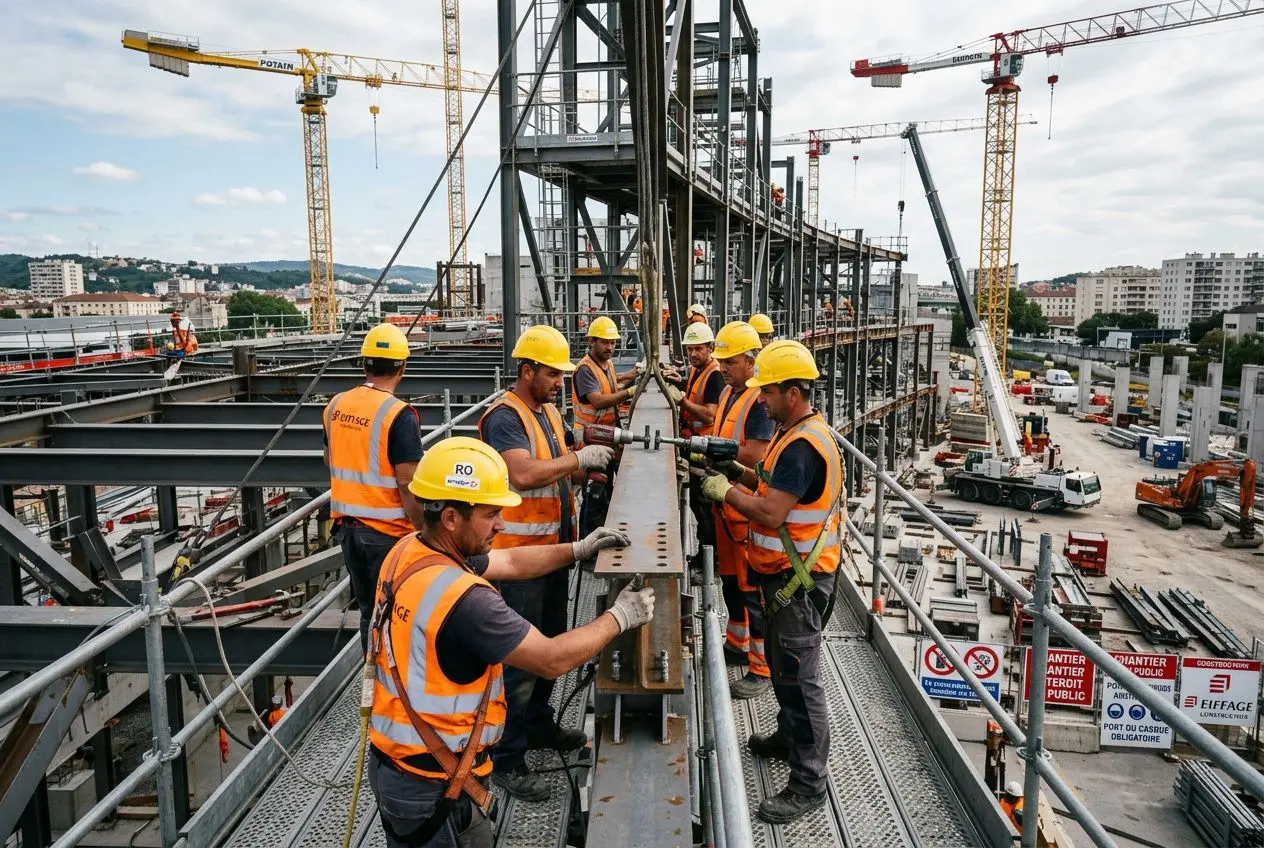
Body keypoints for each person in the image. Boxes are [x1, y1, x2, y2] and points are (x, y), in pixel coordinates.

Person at [367, 437, 655, 848]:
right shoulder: (467, 601)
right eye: (491, 514)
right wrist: (619, 617)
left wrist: (577, 549)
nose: (501, 524)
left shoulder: (410, 552)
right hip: (433, 783)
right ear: (451, 517)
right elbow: (551, 659)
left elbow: (510, 561)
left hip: (398, 765)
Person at [698, 339, 844, 824]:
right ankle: (787, 737)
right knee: (786, 672)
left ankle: (808, 784)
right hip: (786, 579)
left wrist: (725, 490)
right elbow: (769, 482)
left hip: (797, 584)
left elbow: (769, 510)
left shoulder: (803, 446)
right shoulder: (796, 430)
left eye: (768, 391)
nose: (760, 399)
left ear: (794, 392)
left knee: (802, 684)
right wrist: (735, 468)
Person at [477, 325, 615, 801]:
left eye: (562, 374)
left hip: (550, 555)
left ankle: (538, 725)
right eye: (552, 374)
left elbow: (559, 459)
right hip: (516, 563)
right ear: (526, 370)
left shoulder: (548, 412)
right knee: (518, 663)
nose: (561, 382)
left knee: (549, 645)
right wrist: (579, 462)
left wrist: (586, 454)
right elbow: (521, 473)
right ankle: (505, 759)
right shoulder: (505, 418)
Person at [323, 323, 425, 651]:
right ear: (402, 368)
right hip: (388, 536)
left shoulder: (336, 405)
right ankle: (393, 687)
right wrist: (426, 531)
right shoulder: (399, 415)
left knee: (370, 611)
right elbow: (408, 483)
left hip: (346, 530)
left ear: (364, 364)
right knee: (399, 615)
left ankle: (372, 685)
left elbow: (330, 458)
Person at [708, 322, 774, 699]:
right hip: (727, 508)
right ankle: (737, 642)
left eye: (729, 361)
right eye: (721, 362)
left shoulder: (758, 402)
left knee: (752, 591)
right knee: (731, 582)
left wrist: (714, 455)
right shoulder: (733, 393)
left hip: (745, 511)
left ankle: (760, 668)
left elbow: (755, 455)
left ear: (750, 361)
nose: (723, 368)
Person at [572, 316, 641, 538]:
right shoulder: (584, 369)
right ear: (592, 341)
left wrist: (630, 375)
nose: (610, 347)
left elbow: (610, 381)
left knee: (606, 489)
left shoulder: (606, 363)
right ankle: (588, 542)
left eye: (612, 342)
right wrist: (631, 391)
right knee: (595, 493)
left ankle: (602, 533)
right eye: (604, 342)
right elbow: (598, 400)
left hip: (607, 438)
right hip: (591, 440)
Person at [661, 321, 723, 565]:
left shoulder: (715, 374)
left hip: (704, 450)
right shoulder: (699, 370)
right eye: (690, 350)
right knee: (699, 503)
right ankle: (706, 553)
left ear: (710, 348)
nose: (693, 354)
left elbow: (709, 414)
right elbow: (695, 390)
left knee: (705, 506)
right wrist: (680, 381)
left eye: (698, 349)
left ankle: (709, 557)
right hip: (693, 444)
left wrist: (683, 402)